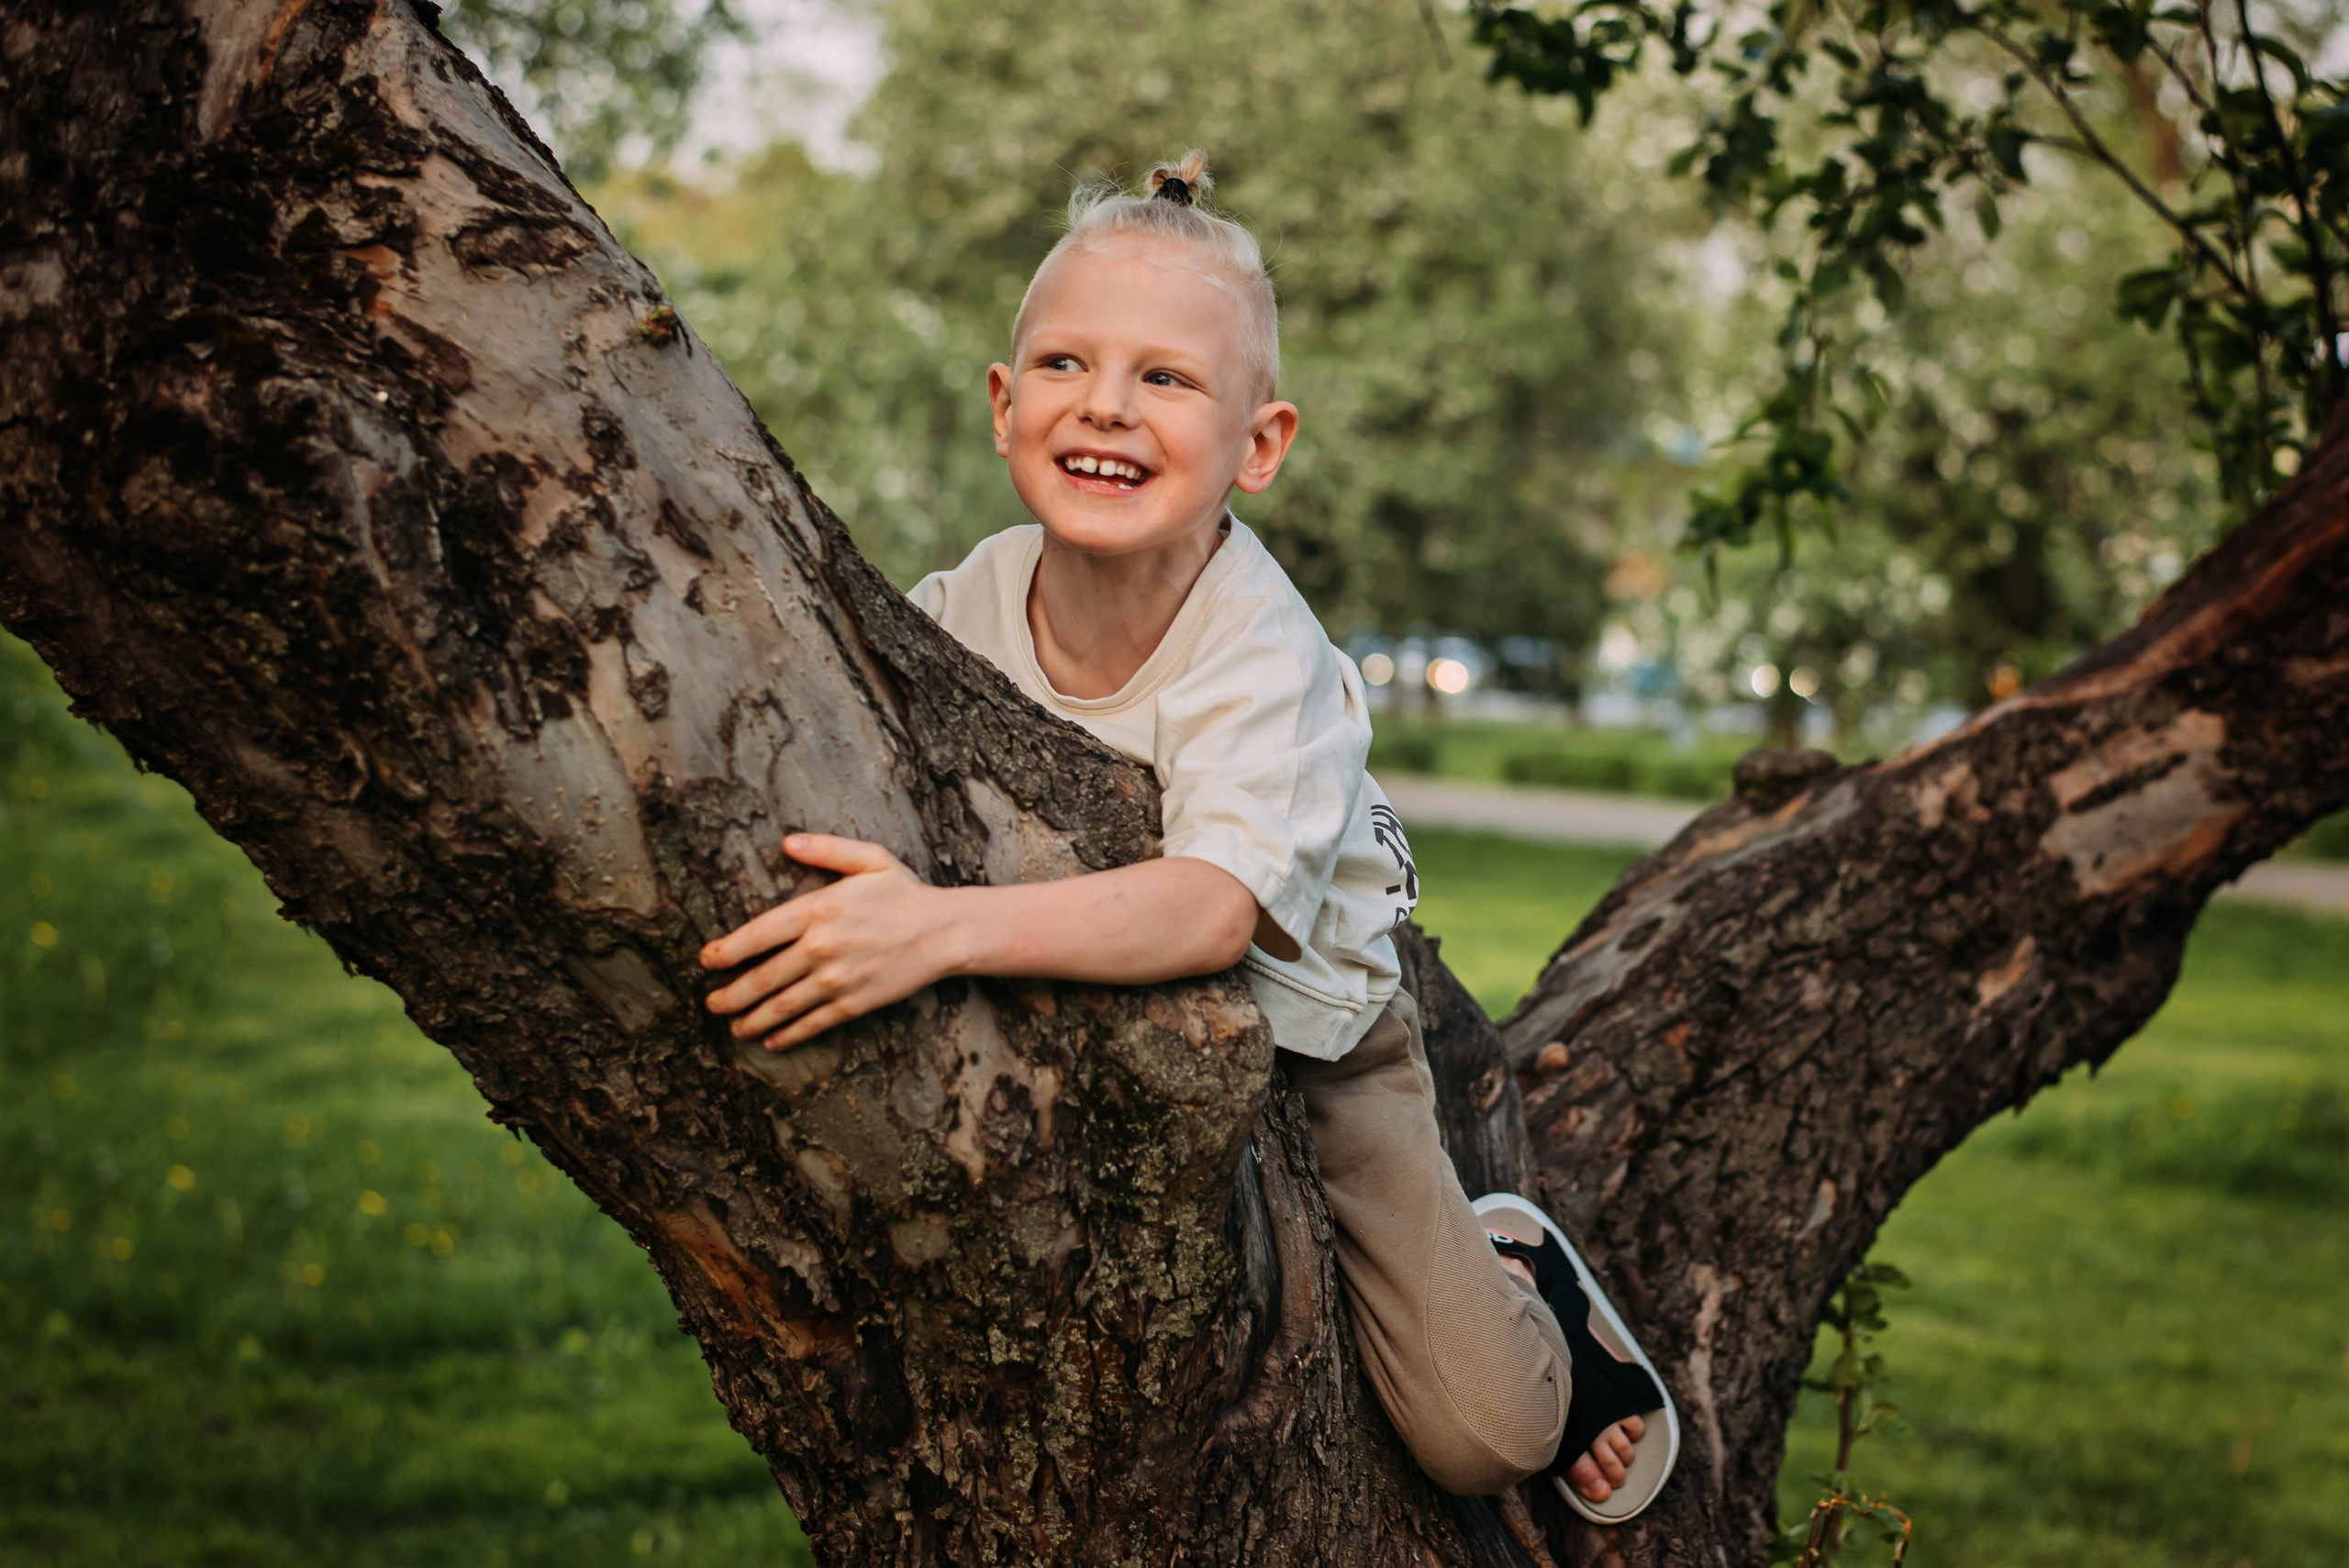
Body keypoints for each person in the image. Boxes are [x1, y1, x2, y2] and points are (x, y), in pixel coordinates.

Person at [699, 151, 1677, 1518]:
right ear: (1001, 403)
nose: (1104, 405)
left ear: (1260, 444)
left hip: (1315, 1041)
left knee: (1485, 1434)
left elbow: (1215, 909)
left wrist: (932, 928)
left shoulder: (1260, 648)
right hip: (1098, 1030)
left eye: (1167, 378)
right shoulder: (954, 608)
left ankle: (1528, 1293)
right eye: (1063, 364)